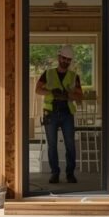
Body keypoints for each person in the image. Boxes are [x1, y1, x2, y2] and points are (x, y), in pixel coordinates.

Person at [35, 45, 84, 184]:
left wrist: (68, 94)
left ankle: (70, 174)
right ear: (59, 57)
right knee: (52, 145)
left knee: (70, 145)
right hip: (51, 113)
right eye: (64, 58)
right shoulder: (48, 73)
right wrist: (51, 92)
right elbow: (37, 90)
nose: (65, 61)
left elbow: (80, 96)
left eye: (68, 60)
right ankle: (55, 173)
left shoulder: (74, 76)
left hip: (67, 113)